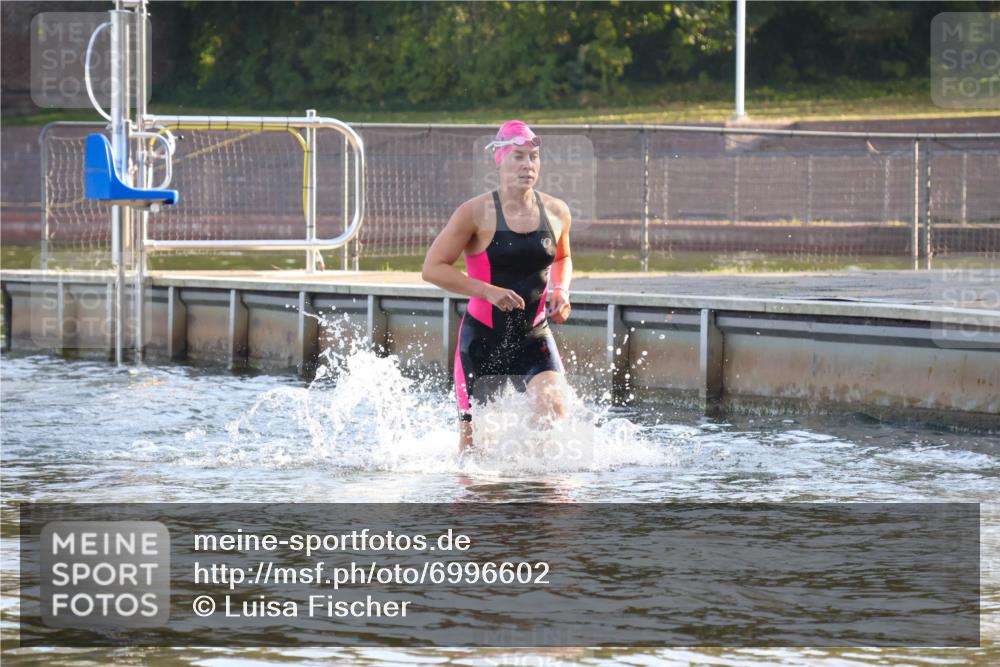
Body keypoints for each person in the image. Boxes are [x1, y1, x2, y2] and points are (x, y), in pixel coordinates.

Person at [422, 120, 574, 451]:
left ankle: (538, 496)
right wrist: (487, 291)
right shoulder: (475, 213)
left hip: (534, 336)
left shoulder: (557, 211)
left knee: (554, 414)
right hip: (483, 341)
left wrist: (561, 290)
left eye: (534, 157)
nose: (528, 165)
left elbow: (562, 258)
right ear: (500, 160)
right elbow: (432, 269)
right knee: (476, 448)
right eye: (518, 156)